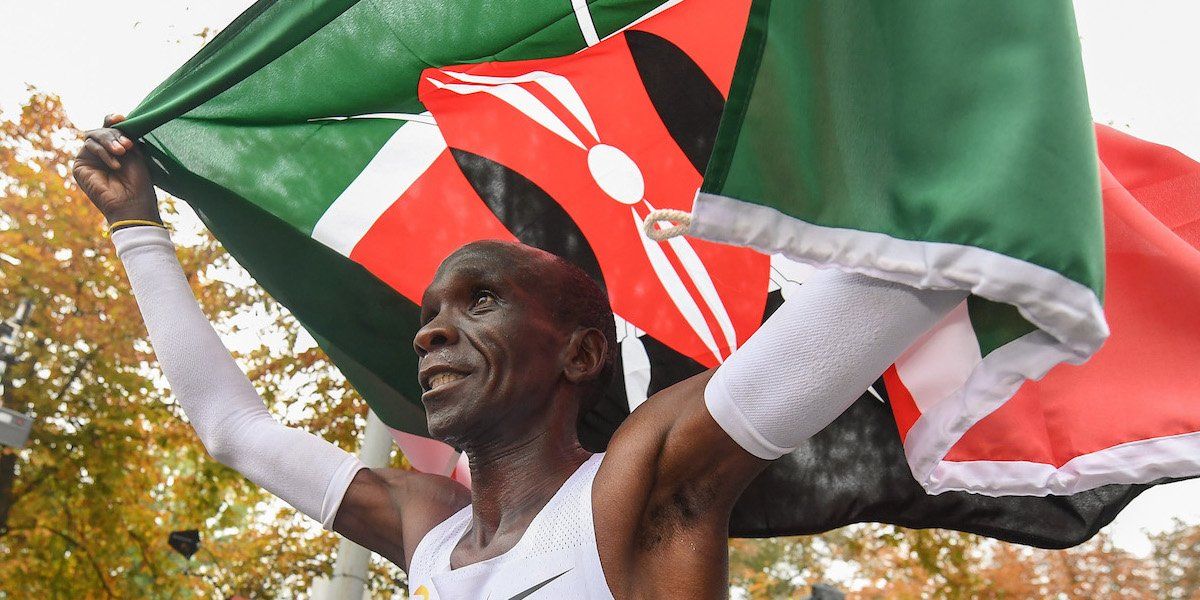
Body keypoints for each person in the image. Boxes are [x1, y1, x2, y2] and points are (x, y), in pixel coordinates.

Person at [73, 115, 964, 598]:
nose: (428, 333)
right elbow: (234, 428)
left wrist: (983, 182)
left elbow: (912, 275)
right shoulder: (430, 533)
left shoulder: (641, 482)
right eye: (429, 315)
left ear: (580, 354)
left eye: (481, 301)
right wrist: (135, 227)